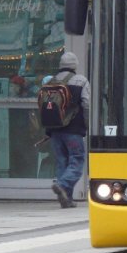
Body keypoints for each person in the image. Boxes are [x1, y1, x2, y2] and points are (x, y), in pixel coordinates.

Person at [47, 52, 90, 209]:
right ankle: (63, 185)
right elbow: (86, 105)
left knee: (62, 162)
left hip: (55, 130)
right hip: (73, 129)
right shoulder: (81, 81)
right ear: (75, 65)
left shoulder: (52, 81)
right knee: (77, 159)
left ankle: (66, 199)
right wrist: (87, 124)